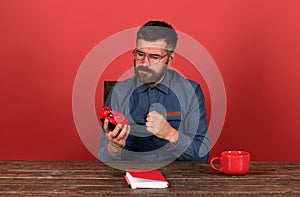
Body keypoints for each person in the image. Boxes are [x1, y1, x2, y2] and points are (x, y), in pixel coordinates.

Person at [98, 21, 210, 162]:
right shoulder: (119, 92)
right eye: (140, 54)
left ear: (170, 59)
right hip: (129, 176)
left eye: (154, 57)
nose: (145, 63)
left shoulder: (190, 91)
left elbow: (202, 155)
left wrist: (171, 134)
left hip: (179, 178)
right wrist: (114, 147)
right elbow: (103, 159)